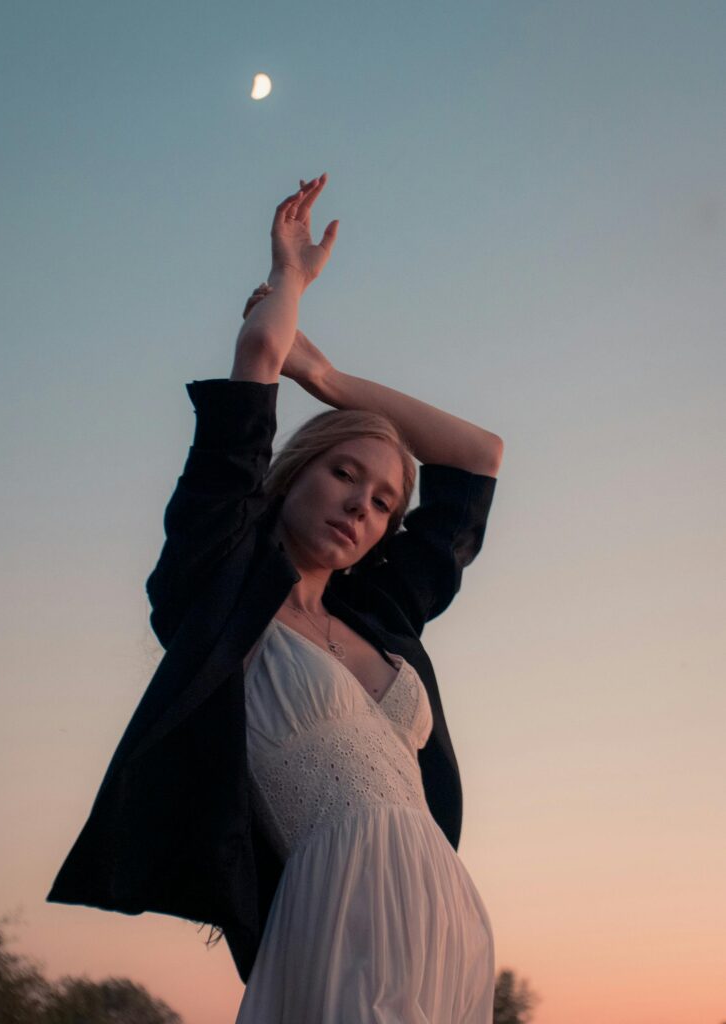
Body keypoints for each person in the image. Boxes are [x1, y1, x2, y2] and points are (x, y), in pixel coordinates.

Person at [48, 173, 503, 1023]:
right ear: (293, 474)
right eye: (342, 475)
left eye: (380, 503)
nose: (359, 508)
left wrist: (324, 374)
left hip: (447, 926)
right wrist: (290, 288)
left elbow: (477, 456)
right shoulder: (217, 590)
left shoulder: (381, 618)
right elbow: (250, 374)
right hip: (327, 920)